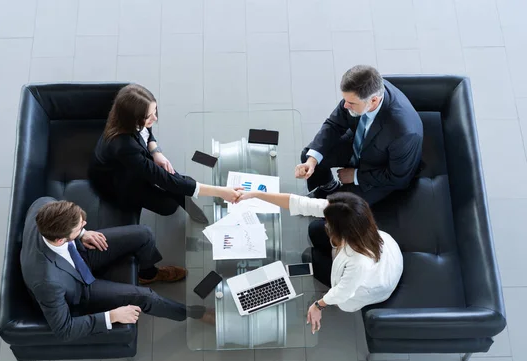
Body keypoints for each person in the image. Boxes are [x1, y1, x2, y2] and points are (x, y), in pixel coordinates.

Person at [20, 197, 208, 341]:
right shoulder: (47, 283)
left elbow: (47, 202)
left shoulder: (44, 206)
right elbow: (64, 330)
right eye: (80, 226)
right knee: (146, 297)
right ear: (61, 239)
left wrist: (83, 234)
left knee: (144, 234)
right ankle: (194, 313)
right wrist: (112, 316)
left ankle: (149, 274)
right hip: (78, 288)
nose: (85, 224)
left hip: (78, 253)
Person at [235, 190, 403, 334]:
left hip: (371, 283)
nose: (326, 222)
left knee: (311, 257)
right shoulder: (349, 214)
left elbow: (343, 292)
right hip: (370, 253)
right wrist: (256, 195)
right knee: (315, 229)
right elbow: (299, 203)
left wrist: (318, 305)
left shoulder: (359, 262)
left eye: (329, 222)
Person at [89, 84, 241, 224]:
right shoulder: (124, 146)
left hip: (131, 162)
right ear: (134, 118)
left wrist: (155, 151)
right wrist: (221, 192)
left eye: (155, 111)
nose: (155, 118)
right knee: (168, 206)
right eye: (149, 116)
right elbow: (160, 177)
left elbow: (145, 131)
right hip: (118, 183)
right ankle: (193, 201)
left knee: (180, 182)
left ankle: (190, 202)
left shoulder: (126, 118)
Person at [295, 65, 423, 205]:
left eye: (351, 103)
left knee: (338, 207)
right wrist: (312, 161)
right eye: (345, 100)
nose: (345, 106)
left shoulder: (404, 133)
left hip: (379, 169)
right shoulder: (361, 93)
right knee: (309, 155)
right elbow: (333, 124)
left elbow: (398, 178)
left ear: (374, 100)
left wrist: (355, 176)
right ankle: (329, 187)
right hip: (359, 142)